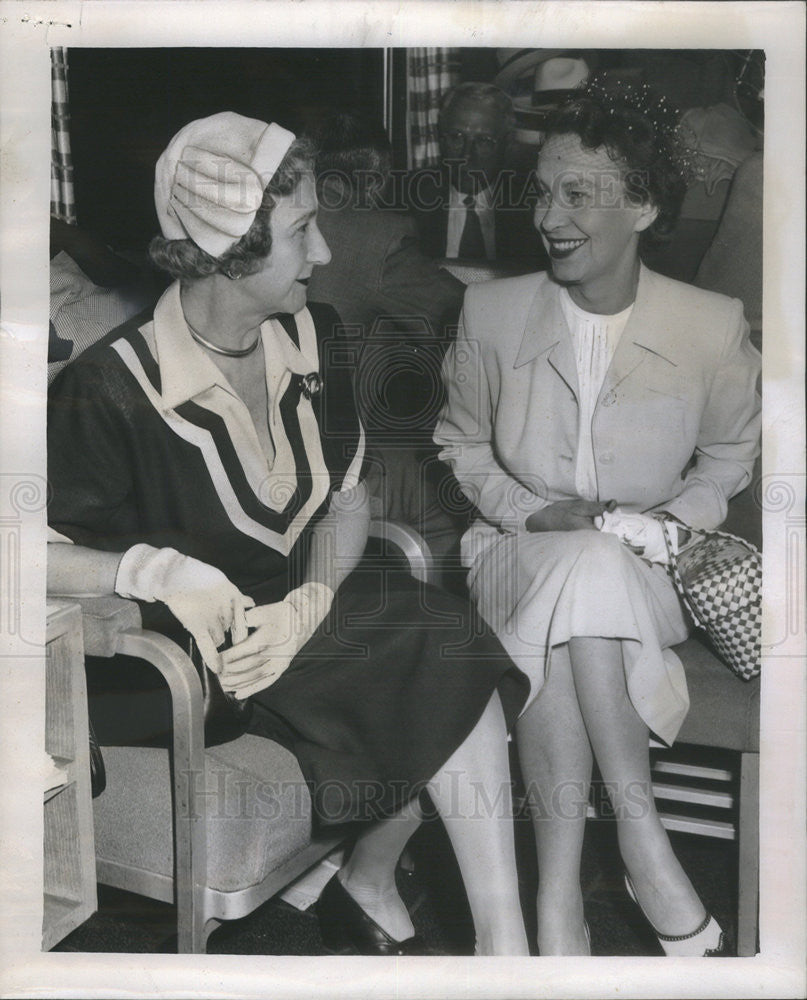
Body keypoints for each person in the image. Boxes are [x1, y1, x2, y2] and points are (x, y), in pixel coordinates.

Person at [46, 111, 532, 956]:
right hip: (183, 656)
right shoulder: (107, 387)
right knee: (428, 637)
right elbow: (29, 559)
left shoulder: (315, 332)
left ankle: (482, 936)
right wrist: (155, 572)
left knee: (443, 636)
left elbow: (345, 499)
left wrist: (310, 601)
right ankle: (461, 930)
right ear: (232, 247)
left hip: (292, 620)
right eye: (303, 230)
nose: (324, 254)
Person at [433, 82, 761, 956]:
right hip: (510, 555)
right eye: (541, 190)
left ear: (644, 206)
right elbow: (459, 448)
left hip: (649, 571)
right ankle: (640, 837)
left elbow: (730, 459)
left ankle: (555, 910)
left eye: (577, 194)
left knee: (596, 576)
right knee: (581, 567)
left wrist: (660, 525)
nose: (548, 215)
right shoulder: (488, 312)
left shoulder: (710, 325)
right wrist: (533, 512)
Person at [306, 112, 468, 582]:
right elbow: (470, 320)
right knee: (453, 499)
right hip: (334, 465)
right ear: (375, 181)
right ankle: (440, 632)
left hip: (270, 446)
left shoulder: (267, 219)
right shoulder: (377, 235)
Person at [406, 82, 545, 263]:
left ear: (508, 144)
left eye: (484, 141)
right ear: (440, 138)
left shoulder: (533, 206)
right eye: (456, 138)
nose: (466, 156)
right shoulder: (408, 199)